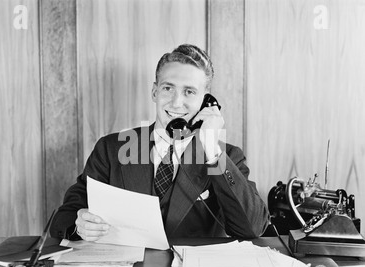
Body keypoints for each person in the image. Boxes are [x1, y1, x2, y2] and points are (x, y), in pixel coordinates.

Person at [50, 44, 270, 241]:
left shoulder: (227, 156)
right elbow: (65, 217)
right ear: (155, 91)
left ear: (205, 101)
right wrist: (79, 223)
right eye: (168, 88)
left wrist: (211, 150)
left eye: (189, 92)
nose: (176, 102)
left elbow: (252, 228)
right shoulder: (110, 149)